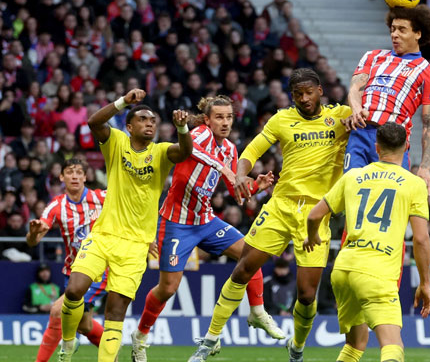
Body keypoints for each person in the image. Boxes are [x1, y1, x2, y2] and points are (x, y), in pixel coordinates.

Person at [187, 68, 351, 362]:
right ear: (292, 96)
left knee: (306, 295)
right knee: (243, 269)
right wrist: (239, 174)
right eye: (298, 94)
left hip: (316, 212)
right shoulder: (281, 119)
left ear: (320, 91)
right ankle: (210, 339)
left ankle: (297, 347)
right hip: (280, 206)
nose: (304, 99)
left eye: (309, 92)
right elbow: (252, 151)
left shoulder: (341, 117)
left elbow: (368, 116)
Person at [130, 95, 283, 362]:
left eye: (228, 117)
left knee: (252, 253)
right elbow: (191, 153)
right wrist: (227, 170)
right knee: (167, 289)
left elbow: (237, 191)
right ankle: (140, 337)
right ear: (208, 120)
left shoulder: (231, 149)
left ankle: (257, 311)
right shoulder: (198, 135)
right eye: (219, 117)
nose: (225, 122)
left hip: (206, 220)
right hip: (176, 223)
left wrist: (255, 186)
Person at [58, 88, 193, 362]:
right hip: (104, 235)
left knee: (115, 313)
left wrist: (181, 128)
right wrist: (122, 102)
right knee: (73, 290)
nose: (150, 124)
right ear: (130, 126)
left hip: (136, 247)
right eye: (143, 119)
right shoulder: (117, 142)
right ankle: (67, 345)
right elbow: (94, 122)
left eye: (153, 121)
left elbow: (185, 151)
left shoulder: (162, 152)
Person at [303, 122, 430, 362]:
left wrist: (312, 237)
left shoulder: (353, 176)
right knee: (393, 347)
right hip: (377, 272)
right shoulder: (414, 183)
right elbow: (421, 239)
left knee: (355, 345)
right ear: (407, 147)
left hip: (343, 269)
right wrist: (425, 283)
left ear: (376, 147)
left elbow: (314, 216)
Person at [345, 5, 430, 196]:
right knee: (352, 195)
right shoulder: (373, 57)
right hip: (361, 135)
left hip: (394, 142)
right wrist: (356, 109)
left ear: (418, 34)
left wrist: (425, 167)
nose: (395, 35)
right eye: (393, 29)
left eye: (402, 30)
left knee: (388, 203)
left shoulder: (428, 73)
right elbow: (355, 89)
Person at [26, 159, 107, 362]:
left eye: (79, 172)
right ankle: (111, 345)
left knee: (57, 310)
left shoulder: (102, 197)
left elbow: (129, 211)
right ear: (62, 177)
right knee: (84, 325)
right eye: (70, 172)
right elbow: (34, 240)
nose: (75, 176)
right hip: (73, 271)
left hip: (100, 268)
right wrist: (33, 234)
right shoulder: (57, 205)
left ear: (85, 177)